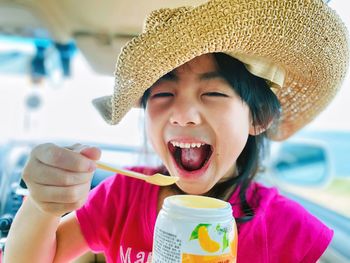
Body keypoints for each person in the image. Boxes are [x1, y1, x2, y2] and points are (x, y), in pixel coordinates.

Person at [4, 0, 349, 262]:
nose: (181, 115)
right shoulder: (122, 196)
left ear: (258, 120)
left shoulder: (288, 229)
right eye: (164, 95)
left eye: (213, 93)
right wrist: (41, 203)